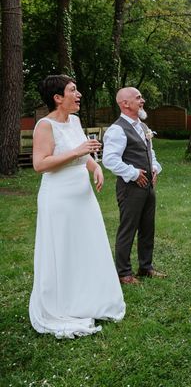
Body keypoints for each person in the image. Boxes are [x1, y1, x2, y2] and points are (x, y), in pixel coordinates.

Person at [29, 75, 125, 338]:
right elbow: (40, 164)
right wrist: (78, 152)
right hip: (58, 197)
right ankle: (62, 303)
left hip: (82, 196)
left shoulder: (75, 121)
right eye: (73, 90)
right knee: (63, 247)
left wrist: (95, 167)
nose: (79, 94)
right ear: (58, 98)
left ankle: (89, 297)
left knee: (86, 244)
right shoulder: (44, 126)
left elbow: (82, 153)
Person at [102, 87, 164, 285]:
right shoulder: (117, 129)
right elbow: (110, 159)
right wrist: (133, 173)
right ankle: (123, 273)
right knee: (128, 228)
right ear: (125, 104)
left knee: (148, 227)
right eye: (138, 98)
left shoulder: (143, 127)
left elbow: (150, 153)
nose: (142, 100)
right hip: (130, 188)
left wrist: (154, 167)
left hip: (147, 187)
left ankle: (146, 267)